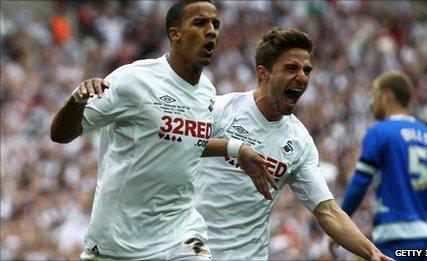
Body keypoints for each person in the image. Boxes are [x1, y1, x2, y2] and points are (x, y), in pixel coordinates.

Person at [49, 1, 277, 260]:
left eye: (216, 24)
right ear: (175, 33)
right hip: (120, 241)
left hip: (180, 232)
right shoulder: (135, 80)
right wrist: (78, 98)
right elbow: (60, 134)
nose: (212, 30)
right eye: (200, 23)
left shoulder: (207, 91)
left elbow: (187, 143)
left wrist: (235, 148)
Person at [193, 27, 390, 261]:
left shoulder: (299, 141)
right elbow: (180, 145)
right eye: (291, 68)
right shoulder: (222, 110)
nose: (302, 77)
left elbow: (327, 211)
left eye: (307, 70)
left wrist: (373, 253)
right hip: (194, 249)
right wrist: (234, 148)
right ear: (263, 73)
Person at [337, 71, 427, 259]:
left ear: (387, 95)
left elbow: (360, 183)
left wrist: (339, 223)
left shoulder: (379, 132)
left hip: (394, 237)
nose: (371, 102)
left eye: (374, 95)